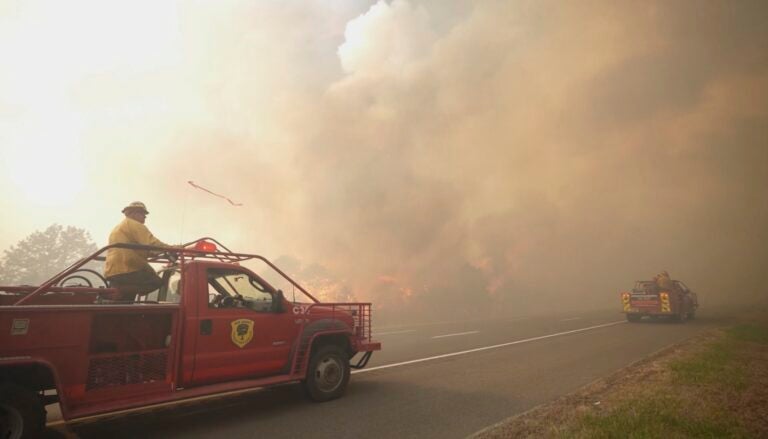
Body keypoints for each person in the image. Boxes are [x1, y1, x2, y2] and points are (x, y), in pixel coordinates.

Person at [104, 201, 176, 301]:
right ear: (134, 213)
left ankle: (117, 293)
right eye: (142, 213)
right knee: (155, 282)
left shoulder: (120, 227)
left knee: (124, 304)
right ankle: (120, 291)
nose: (145, 217)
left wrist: (157, 252)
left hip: (113, 270)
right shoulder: (134, 224)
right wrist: (170, 248)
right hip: (128, 268)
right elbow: (151, 243)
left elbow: (142, 248)